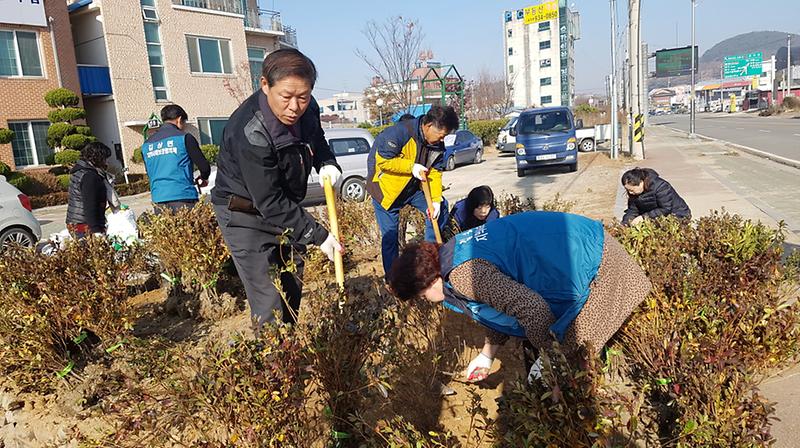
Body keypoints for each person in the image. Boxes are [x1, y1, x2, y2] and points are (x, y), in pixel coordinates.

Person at [387, 211, 652, 382]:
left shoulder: (463, 275)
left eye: (422, 296)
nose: (426, 301)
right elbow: (502, 303)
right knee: (561, 355)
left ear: (431, 281)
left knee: (572, 354)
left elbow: (532, 309)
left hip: (599, 266)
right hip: (584, 248)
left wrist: (548, 359)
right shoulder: (450, 253)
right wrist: (487, 355)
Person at [211, 48, 343, 330]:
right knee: (268, 297)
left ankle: (289, 349)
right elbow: (269, 200)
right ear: (265, 85)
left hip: (285, 209)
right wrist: (318, 235)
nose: (295, 107)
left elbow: (316, 138)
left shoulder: (308, 110)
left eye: (303, 97)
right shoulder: (250, 131)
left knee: (291, 285)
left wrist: (326, 161)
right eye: (286, 97)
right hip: (243, 214)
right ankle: (273, 367)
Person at [367, 105, 460, 277]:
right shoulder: (399, 133)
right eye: (441, 135)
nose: (442, 140)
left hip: (412, 189)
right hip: (386, 191)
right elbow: (383, 161)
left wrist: (435, 199)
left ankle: (429, 259)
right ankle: (393, 278)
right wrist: (411, 167)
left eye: (445, 136)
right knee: (390, 236)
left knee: (439, 210)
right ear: (429, 125)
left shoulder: (437, 145)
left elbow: (435, 172)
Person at [142, 104, 211, 214]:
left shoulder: (146, 145)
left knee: (167, 230)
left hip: (158, 199)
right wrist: (204, 177)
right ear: (179, 120)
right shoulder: (185, 138)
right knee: (188, 230)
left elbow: (148, 171)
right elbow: (204, 166)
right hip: (183, 196)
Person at [66, 142, 120, 238]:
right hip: (84, 226)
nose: (107, 162)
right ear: (97, 158)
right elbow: (90, 205)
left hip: (76, 223)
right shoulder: (90, 177)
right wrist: (96, 231)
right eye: (105, 158)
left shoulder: (80, 171)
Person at [621, 167, 690, 226]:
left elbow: (665, 209)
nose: (630, 192)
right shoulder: (634, 194)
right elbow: (633, 210)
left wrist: (643, 217)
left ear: (641, 183)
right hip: (654, 216)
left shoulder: (661, 187)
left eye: (632, 190)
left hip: (677, 214)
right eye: (627, 190)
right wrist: (625, 223)